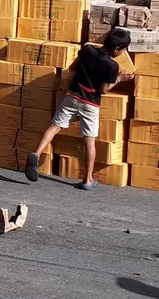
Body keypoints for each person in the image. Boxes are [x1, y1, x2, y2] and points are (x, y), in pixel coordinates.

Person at [26, 28, 133, 188]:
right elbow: (104, 89)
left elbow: (72, 68)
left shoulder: (88, 50)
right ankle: (88, 179)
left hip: (73, 95)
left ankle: (37, 153)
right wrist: (118, 79)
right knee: (89, 140)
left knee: (55, 126)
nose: (122, 53)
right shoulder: (112, 66)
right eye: (123, 50)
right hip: (90, 103)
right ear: (117, 49)